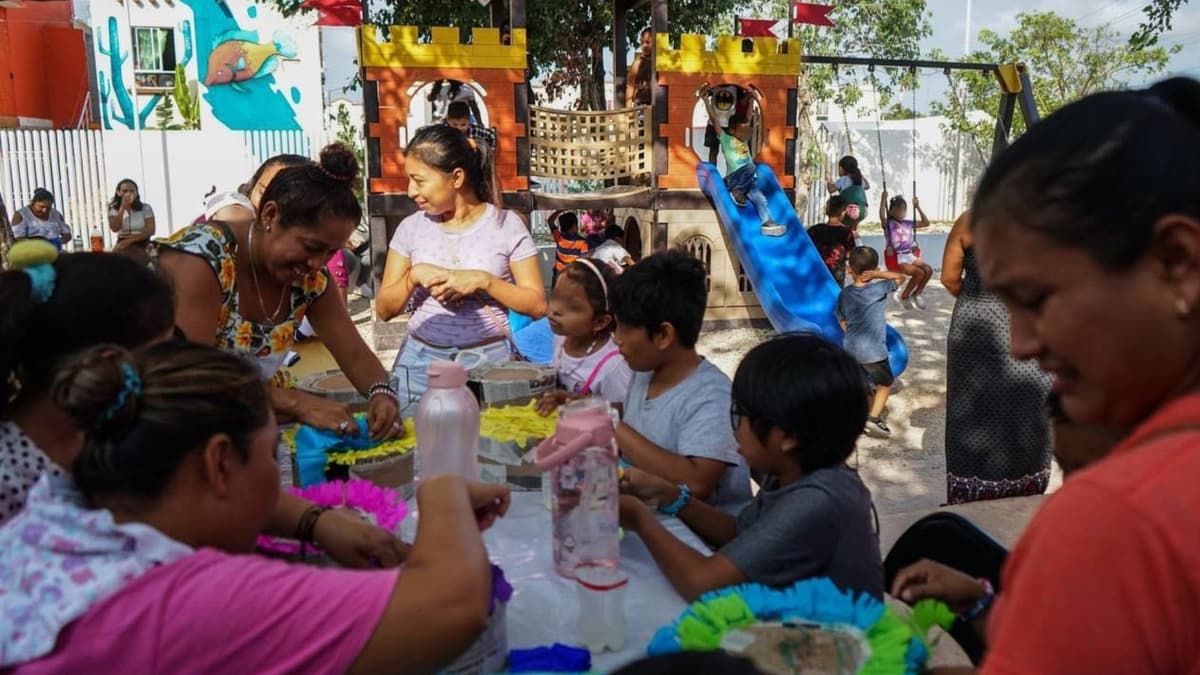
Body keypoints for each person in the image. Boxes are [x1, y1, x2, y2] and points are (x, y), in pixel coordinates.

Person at [892, 78, 1200, 674]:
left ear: (1176, 263)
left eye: (1036, 299)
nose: (1022, 343)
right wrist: (996, 607)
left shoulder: (1115, 521)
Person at [0, 340, 511, 673]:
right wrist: (442, 489)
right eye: (270, 455)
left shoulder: (46, 522)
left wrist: (313, 521)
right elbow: (451, 605)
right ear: (220, 462)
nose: (278, 483)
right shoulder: (183, 602)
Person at [0, 242, 406, 566]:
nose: (172, 366)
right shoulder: (13, 477)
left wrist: (316, 522)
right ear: (108, 363)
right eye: (162, 352)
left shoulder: (119, 424)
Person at [156, 144, 402, 439]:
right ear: (270, 215)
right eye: (311, 246)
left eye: (330, 253)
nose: (317, 264)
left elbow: (355, 354)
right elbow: (188, 376)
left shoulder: (311, 283)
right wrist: (294, 402)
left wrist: (382, 393)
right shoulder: (202, 260)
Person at [618, 334, 883, 601]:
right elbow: (741, 533)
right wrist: (672, 497)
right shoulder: (790, 471)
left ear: (788, 437)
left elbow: (702, 584)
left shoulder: (818, 500)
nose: (733, 428)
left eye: (740, 415)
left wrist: (639, 518)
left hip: (835, 634)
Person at [376, 125, 546, 411]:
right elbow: (384, 309)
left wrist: (484, 281)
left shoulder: (507, 226)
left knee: (487, 449)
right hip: (420, 366)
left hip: (489, 366)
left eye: (419, 180)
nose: (410, 191)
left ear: (456, 177)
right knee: (420, 448)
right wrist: (414, 277)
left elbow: (537, 304)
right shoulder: (411, 229)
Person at [611, 251, 752, 514]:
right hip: (652, 519)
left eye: (625, 328)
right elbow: (640, 425)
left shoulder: (711, 395)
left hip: (704, 544)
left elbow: (697, 483)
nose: (616, 338)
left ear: (663, 335)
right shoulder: (645, 372)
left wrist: (610, 423)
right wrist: (585, 410)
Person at [941, 210, 1053, 504]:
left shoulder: (970, 221)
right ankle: (1025, 496)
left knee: (973, 408)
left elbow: (950, 279)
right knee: (1028, 407)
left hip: (975, 326)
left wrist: (982, 298)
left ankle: (973, 497)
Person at [536, 259, 633, 413]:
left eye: (572, 307)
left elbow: (624, 414)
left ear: (600, 322)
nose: (555, 310)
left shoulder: (613, 367)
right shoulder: (561, 338)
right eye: (555, 297)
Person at [838, 246, 906, 438]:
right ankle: (873, 419)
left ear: (850, 269)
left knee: (856, 383)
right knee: (885, 383)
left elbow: (842, 321)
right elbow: (900, 278)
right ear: (873, 269)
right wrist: (878, 274)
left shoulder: (845, 294)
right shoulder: (879, 288)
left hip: (850, 348)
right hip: (874, 351)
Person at [697, 84, 782, 237]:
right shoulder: (725, 138)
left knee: (760, 198)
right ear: (732, 130)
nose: (746, 132)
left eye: (747, 130)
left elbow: (748, 118)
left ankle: (767, 222)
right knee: (750, 167)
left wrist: (751, 100)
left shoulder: (743, 140)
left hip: (747, 181)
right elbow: (714, 119)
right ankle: (736, 191)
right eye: (743, 130)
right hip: (734, 178)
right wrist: (705, 100)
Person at [880, 191, 932, 309]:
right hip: (896, 257)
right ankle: (904, 296)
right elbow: (882, 216)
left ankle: (917, 294)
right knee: (919, 273)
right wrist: (883, 200)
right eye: (898, 209)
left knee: (928, 270)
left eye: (904, 209)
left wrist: (917, 207)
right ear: (891, 210)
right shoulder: (888, 224)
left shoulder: (908, 223)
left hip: (909, 255)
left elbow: (926, 223)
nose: (901, 212)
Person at [807, 195, 858, 286]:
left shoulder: (814, 230)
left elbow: (805, 250)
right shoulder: (846, 233)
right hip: (836, 273)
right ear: (843, 213)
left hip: (816, 272)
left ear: (827, 211)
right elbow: (850, 254)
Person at [107, 179, 156, 253]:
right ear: (118, 192)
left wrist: (130, 241)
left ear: (136, 193)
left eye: (132, 191)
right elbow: (115, 228)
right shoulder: (113, 210)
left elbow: (151, 230)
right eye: (125, 191)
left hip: (142, 241)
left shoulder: (145, 208)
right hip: (122, 242)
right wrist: (122, 208)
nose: (128, 194)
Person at [825, 155, 870, 233]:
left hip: (848, 211)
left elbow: (831, 190)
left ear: (842, 168)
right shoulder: (860, 180)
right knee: (853, 230)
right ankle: (856, 240)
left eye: (839, 168)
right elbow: (868, 186)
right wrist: (860, 174)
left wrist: (829, 180)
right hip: (862, 211)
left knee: (836, 224)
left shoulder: (843, 180)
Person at [548, 209, 589, 286]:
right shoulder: (582, 242)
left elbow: (550, 221)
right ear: (574, 226)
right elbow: (584, 261)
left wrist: (559, 211)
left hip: (558, 274)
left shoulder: (559, 237)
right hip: (573, 276)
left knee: (556, 297)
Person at [627, 28, 653, 106]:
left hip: (658, 103)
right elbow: (630, 85)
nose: (644, 46)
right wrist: (628, 108)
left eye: (648, 42)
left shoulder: (661, 61)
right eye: (642, 42)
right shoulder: (638, 63)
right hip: (641, 104)